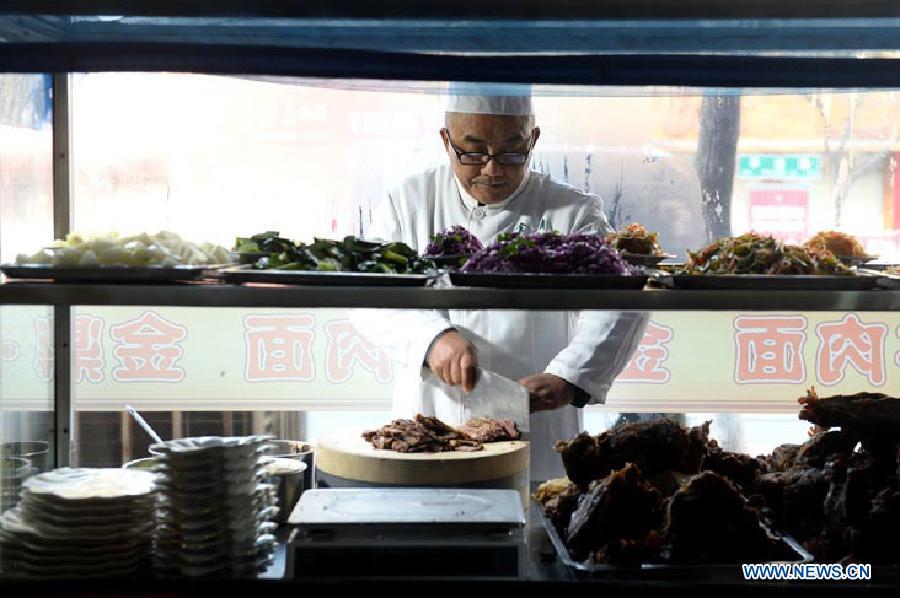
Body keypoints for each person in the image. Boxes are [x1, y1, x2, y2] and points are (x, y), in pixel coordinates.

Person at [350, 84, 647, 479]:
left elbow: (622, 301)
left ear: (533, 140)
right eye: (473, 152)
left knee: (534, 510)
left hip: (536, 426)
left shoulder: (574, 211)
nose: (492, 169)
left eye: (511, 153)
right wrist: (430, 339)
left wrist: (569, 376)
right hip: (430, 423)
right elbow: (368, 296)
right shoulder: (407, 202)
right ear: (446, 141)